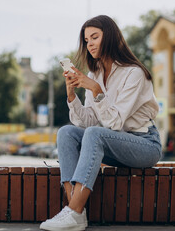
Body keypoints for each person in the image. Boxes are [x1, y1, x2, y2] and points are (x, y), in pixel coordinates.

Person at [40, 15, 162, 231]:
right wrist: (71, 95)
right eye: (87, 40)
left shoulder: (134, 73)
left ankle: (74, 211)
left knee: (96, 134)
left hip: (145, 145)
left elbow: (113, 123)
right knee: (66, 133)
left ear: (111, 36)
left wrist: (96, 89)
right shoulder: (94, 73)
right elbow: (88, 122)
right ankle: (74, 210)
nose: (90, 44)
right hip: (113, 144)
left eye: (95, 37)